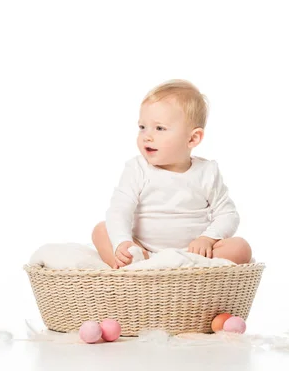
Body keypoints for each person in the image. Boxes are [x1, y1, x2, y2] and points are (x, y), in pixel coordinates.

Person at [92, 79, 252, 269]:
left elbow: (228, 214)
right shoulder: (137, 168)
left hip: (192, 254)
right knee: (101, 230)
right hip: (143, 251)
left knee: (240, 248)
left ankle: (181, 269)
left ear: (193, 138)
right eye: (142, 127)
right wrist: (123, 242)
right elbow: (120, 210)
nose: (147, 136)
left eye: (159, 128)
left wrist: (207, 239)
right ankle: (134, 267)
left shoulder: (206, 172)